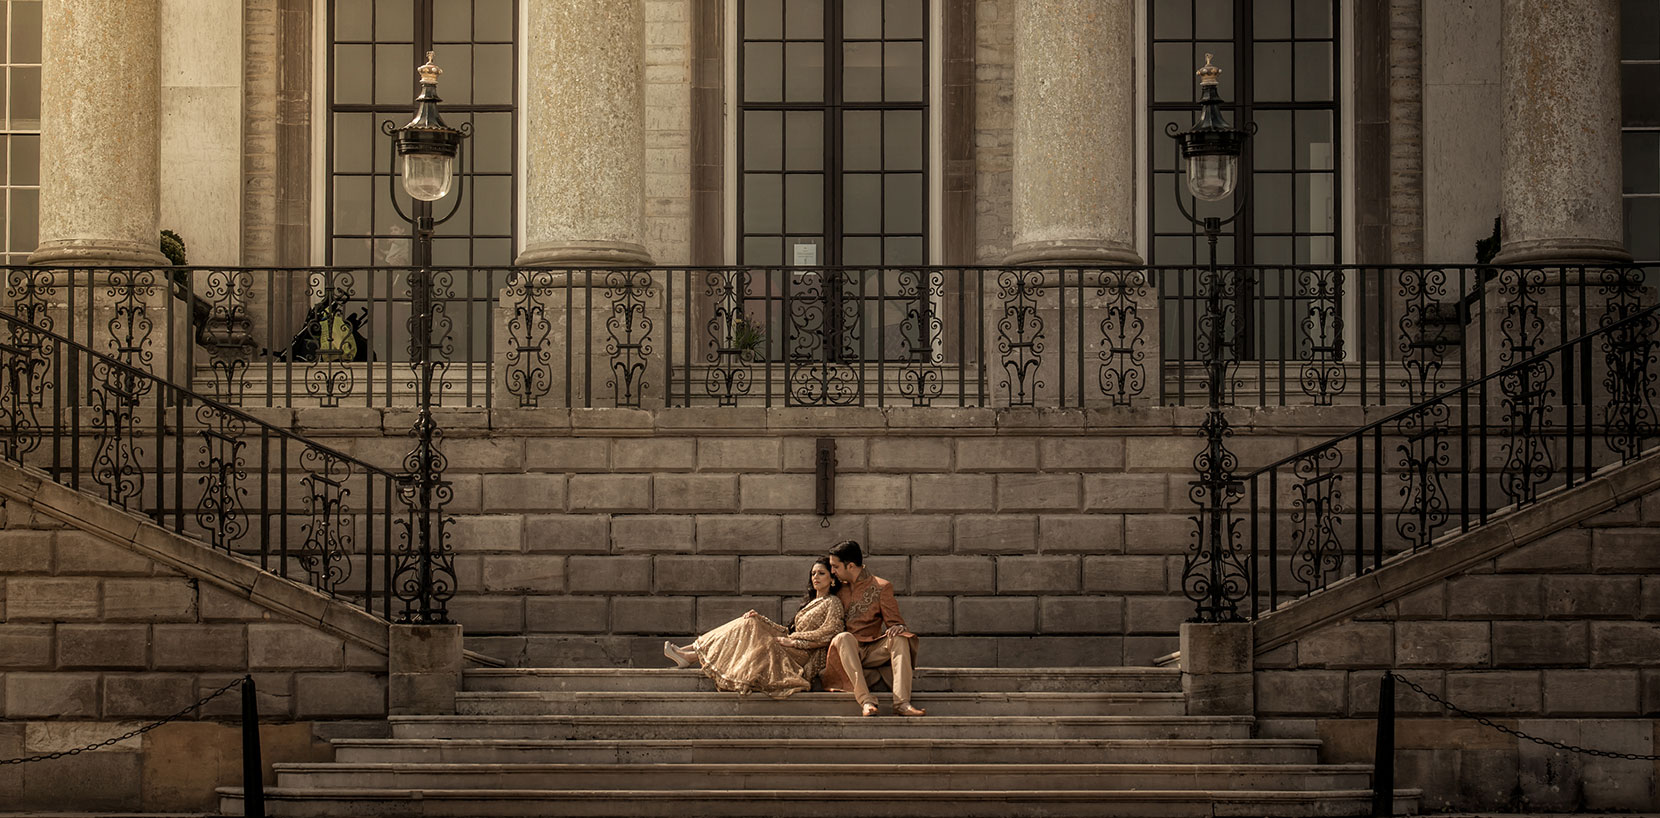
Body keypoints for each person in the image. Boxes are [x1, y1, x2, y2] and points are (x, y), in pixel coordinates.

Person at [662, 557, 845, 699]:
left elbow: (831, 632)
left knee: (750, 627)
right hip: (790, 645)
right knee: (749, 621)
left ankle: (691, 653)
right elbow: (786, 631)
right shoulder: (810, 603)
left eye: (821, 573)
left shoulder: (833, 603)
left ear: (832, 579)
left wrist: (795, 641)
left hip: (804, 656)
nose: (815, 577)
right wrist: (762, 620)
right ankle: (692, 651)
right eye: (813, 574)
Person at [823, 540, 926, 717]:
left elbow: (895, 621)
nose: (832, 571)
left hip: (872, 650)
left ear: (851, 566)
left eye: (835, 567)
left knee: (901, 638)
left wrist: (898, 627)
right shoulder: (837, 589)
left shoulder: (881, 587)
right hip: (846, 650)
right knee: (843, 637)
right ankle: (866, 701)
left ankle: (902, 703)